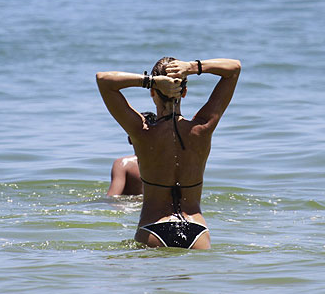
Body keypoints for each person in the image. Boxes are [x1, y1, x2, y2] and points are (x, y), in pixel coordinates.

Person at [96, 57, 241, 249]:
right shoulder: (202, 127)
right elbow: (234, 69)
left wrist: (150, 81)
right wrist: (191, 67)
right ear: (185, 91)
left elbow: (103, 80)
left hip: (154, 228)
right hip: (196, 230)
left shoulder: (141, 131)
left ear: (153, 93)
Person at [106, 112, 156, 196]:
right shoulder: (170, 164)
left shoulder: (123, 164)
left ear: (130, 139)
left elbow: (112, 198)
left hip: (130, 207)